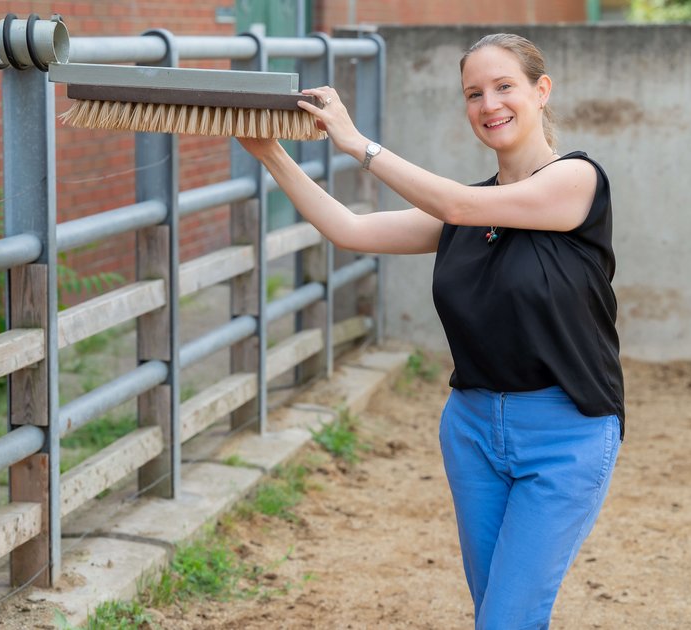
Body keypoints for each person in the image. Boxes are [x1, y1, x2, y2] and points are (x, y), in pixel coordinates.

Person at [239, 32, 624, 629]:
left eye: (504, 87)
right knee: (493, 612)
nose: (488, 104)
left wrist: (356, 144)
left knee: (508, 619)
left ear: (541, 91)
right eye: (473, 93)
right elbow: (350, 230)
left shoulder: (576, 182)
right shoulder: (464, 209)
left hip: (565, 433)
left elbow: (458, 208)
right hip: (471, 431)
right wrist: (271, 155)